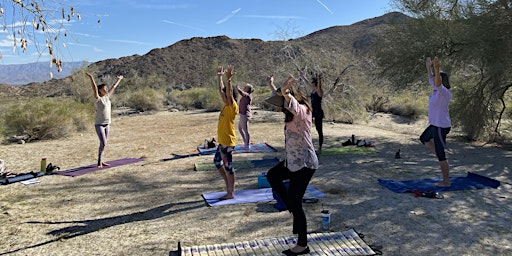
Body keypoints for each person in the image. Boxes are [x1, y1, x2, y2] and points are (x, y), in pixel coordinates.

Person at [266, 75, 318, 256]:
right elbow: (282, 100)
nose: (280, 107)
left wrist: (286, 93)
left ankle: (302, 245)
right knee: (272, 176)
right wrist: (273, 85)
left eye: (283, 103)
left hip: (304, 163)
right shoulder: (289, 112)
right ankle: (290, 205)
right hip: (292, 162)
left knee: (297, 204)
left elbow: (294, 105)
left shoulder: (302, 110)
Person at [420, 56, 452, 187]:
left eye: (437, 78)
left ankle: (446, 181)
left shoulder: (444, 92)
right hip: (434, 125)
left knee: (441, 155)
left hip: (441, 126)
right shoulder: (435, 90)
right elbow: (431, 79)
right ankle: (439, 153)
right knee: (423, 138)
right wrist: (429, 67)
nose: (434, 80)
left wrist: (437, 68)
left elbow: (437, 82)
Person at [86, 72, 124, 168]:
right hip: (99, 124)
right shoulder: (98, 99)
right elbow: (94, 88)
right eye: (104, 88)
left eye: (106, 88)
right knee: (103, 142)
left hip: (107, 123)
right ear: (100, 90)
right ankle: (99, 162)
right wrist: (91, 78)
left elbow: (114, 87)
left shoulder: (107, 97)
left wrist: (119, 79)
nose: (106, 89)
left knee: (104, 144)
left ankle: (101, 161)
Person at [214, 65, 239, 200]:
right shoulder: (225, 105)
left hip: (228, 142)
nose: (222, 96)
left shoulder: (232, 106)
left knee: (228, 167)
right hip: (222, 142)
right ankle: (228, 186)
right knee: (217, 162)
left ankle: (231, 193)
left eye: (225, 95)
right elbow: (221, 90)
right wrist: (219, 77)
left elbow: (228, 93)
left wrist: (228, 79)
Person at [298, 70, 324, 152]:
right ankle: (307, 144)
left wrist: (319, 79)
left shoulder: (319, 91)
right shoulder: (313, 90)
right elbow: (306, 82)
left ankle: (320, 147)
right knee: (306, 126)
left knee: (319, 129)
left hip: (318, 112)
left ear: (315, 83)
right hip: (312, 111)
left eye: (312, 82)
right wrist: (302, 76)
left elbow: (319, 86)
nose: (311, 83)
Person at [236, 83, 254, 149]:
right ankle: (245, 142)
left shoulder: (248, 95)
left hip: (245, 115)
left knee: (245, 130)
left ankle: (247, 144)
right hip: (242, 114)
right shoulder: (246, 96)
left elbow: (242, 93)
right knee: (240, 128)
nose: (244, 87)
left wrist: (238, 88)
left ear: (248, 89)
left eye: (246, 87)